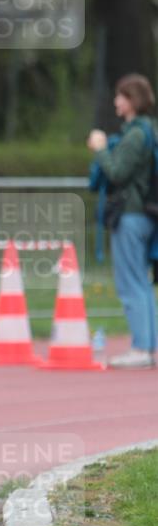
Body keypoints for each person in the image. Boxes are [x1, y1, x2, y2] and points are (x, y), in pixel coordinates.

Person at [87, 73, 157, 368]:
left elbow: (117, 172)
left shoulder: (136, 134)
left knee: (131, 283)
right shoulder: (149, 130)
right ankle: (147, 346)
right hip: (145, 215)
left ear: (133, 100)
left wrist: (101, 149)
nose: (116, 102)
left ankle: (141, 348)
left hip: (131, 214)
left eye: (120, 96)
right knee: (141, 282)